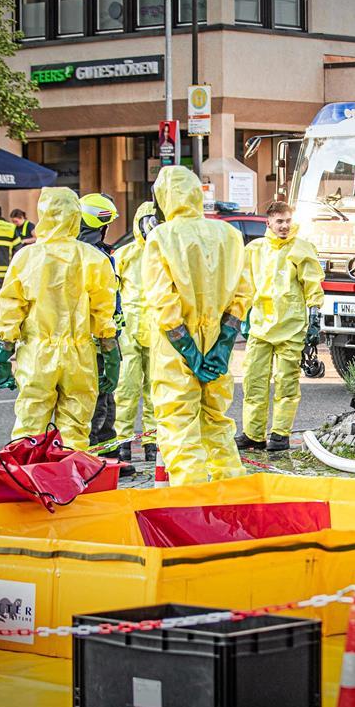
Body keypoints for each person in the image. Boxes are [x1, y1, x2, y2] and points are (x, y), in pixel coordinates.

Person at [142, 165, 250, 486]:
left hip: (175, 352)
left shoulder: (161, 237)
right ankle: (232, 499)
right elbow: (242, 294)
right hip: (218, 345)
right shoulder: (229, 234)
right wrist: (221, 346)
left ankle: (192, 509)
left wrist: (189, 351)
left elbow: (164, 301)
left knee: (179, 429)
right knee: (217, 424)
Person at [0, 187, 119, 451]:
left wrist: (4, 354)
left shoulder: (26, 257)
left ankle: (27, 482)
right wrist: (110, 356)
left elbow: (11, 307)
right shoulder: (93, 258)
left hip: (38, 353)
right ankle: (71, 483)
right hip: (79, 354)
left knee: (30, 423)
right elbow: (103, 312)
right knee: (75, 426)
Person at [235, 201, 324, 452]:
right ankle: (253, 434)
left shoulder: (301, 249)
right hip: (260, 327)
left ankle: (280, 434)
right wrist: (244, 315)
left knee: (286, 382)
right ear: (269, 223)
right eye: (280, 221)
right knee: (254, 381)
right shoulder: (255, 250)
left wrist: (314, 318)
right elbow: (245, 285)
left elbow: (313, 285)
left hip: (291, 327)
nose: (285, 226)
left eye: (288, 220)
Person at [76, 192, 124, 460]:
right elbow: (105, 306)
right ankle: (99, 459)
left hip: (82, 341)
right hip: (97, 341)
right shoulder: (96, 257)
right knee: (98, 402)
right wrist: (111, 345)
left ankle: (105, 454)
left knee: (97, 401)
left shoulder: (71, 252)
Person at [112, 203, 160, 463]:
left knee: (155, 389)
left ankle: (152, 440)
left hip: (157, 328)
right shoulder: (125, 254)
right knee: (126, 389)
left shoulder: (164, 254)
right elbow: (111, 290)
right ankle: (123, 441)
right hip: (129, 330)